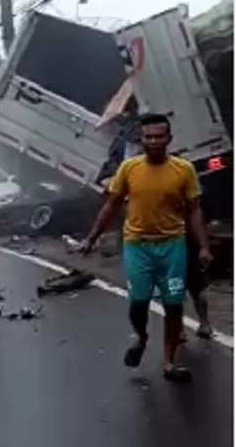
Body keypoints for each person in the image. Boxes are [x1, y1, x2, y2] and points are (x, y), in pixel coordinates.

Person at [77, 113, 213, 383]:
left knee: (174, 305)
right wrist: (91, 238)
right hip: (137, 246)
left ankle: (169, 363)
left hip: (172, 245)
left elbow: (194, 211)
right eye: (147, 137)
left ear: (169, 139)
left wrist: (203, 247)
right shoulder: (129, 168)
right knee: (138, 304)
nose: (152, 141)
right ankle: (141, 336)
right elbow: (111, 205)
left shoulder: (183, 170)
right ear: (141, 139)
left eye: (158, 136)